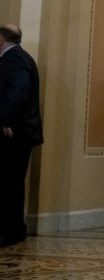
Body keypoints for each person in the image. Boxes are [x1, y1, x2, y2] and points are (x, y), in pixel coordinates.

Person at [0, 23, 43, 247]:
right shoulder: (21, 57)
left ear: (1, 40)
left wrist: (6, 120)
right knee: (12, 181)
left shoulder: (14, 59)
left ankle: (8, 230)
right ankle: (16, 229)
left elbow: (19, 91)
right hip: (20, 131)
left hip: (14, 132)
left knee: (8, 182)